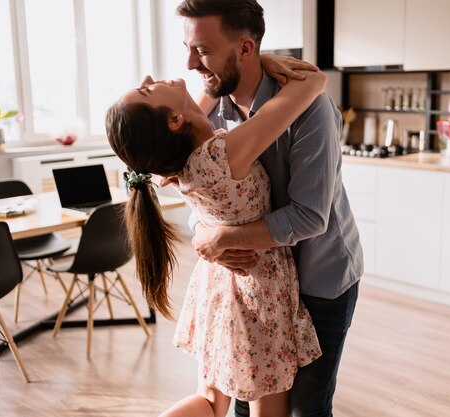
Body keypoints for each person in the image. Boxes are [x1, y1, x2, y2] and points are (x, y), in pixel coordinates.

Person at [106, 58, 327, 415]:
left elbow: (206, 94)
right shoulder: (225, 154)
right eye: (147, 89)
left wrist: (255, 59)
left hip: (218, 286)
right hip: (257, 291)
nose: (149, 76)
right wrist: (258, 60)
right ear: (174, 121)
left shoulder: (178, 165)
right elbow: (313, 83)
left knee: (210, 402)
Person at [175, 1, 363, 416]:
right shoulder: (209, 114)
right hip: (252, 283)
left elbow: (310, 216)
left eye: (201, 50)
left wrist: (222, 239)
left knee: (305, 410)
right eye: (187, 48)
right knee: (247, 402)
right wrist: (206, 231)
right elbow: (202, 191)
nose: (190, 63)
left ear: (245, 48)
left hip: (319, 278)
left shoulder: (311, 109)